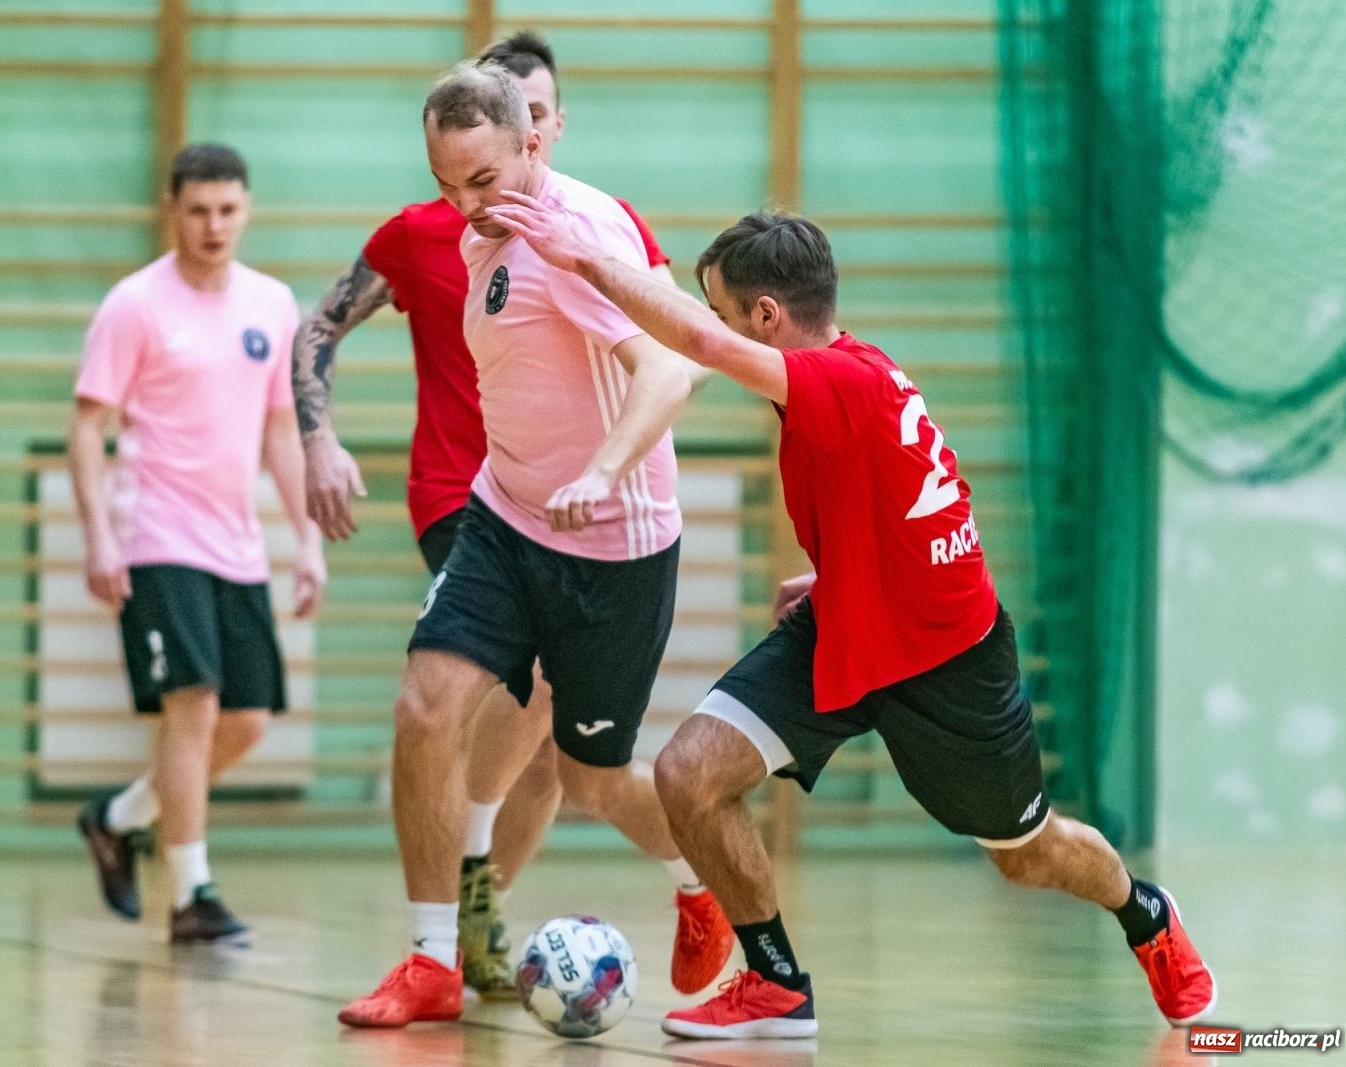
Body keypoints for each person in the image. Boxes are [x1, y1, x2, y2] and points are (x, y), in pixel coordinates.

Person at [487, 199, 1217, 1038]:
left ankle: (1146, 913)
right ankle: (776, 985)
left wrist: (583, 259)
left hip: (946, 662)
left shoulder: (839, 378)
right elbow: (919, 494)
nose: (719, 324)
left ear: (767, 315)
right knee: (691, 772)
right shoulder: (848, 371)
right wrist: (845, 575)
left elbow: (698, 346)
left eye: (728, 310)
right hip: (848, 620)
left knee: (1028, 854)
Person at [336, 63, 734, 1029]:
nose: (465, 205)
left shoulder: (579, 236)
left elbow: (668, 371)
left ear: (533, 143)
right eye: (446, 185)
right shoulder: (487, 233)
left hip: (613, 545)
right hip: (505, 518)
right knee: (424, 708)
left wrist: (602, 471)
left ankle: (699, 882)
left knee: (591, 780)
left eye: (483, 180)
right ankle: (432, 958)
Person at [70, 143, 326, 945]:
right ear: (172, 211)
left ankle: (119, 817)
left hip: (235, 541)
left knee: (246, 721)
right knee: (195, 707)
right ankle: (190, 894)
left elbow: (281, 428)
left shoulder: (271, 304)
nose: (214, 225)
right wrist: (100, 537)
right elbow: (87, 428)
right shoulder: (135, 305)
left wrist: (307, 538)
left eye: (227, 209)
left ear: (246, 209)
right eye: (198, 210)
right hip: (156, 535)